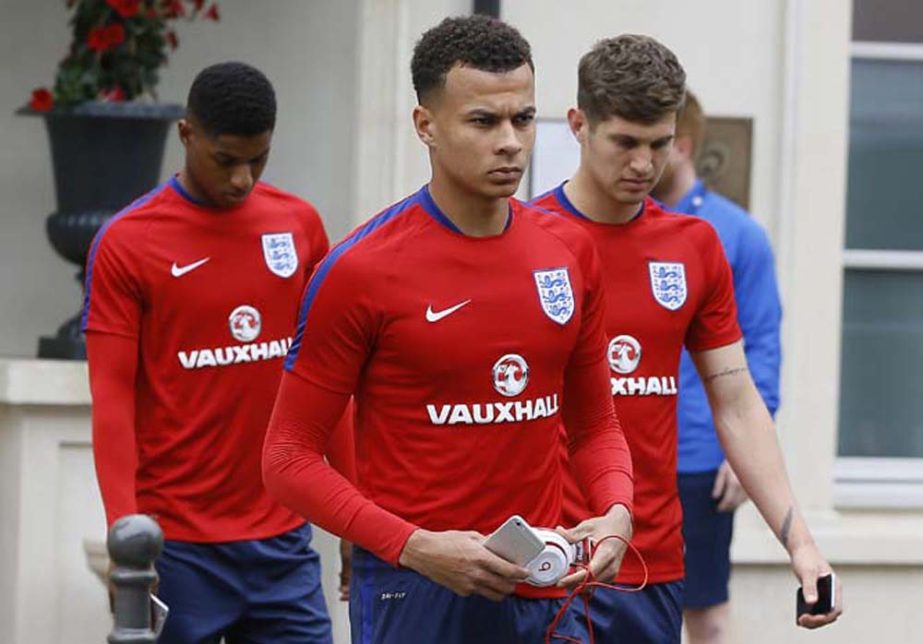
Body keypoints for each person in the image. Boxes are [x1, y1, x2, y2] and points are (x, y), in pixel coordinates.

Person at [262, 15, 634, 644]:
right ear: (425, 126)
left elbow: (597, 424)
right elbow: (287, 457)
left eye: (522, 119)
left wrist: (616, 512)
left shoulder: (568, 252)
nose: (512, 142)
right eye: (484, 122)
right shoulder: (360, 270)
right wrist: (413, 546)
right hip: (415, 592)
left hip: (541, 589)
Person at [531, 34, 841, 643]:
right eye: (625, 142)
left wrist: (802, 545)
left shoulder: (695, 246)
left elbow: (737, 401)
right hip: (544, 562)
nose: (644, 165)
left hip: (653, 559)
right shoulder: (527, 239)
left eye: (659, 144)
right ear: (578, 125)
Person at [83, 61, 354, 644]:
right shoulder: (128, 244)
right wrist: (124, 539)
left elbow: (325, 385)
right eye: (225, 159)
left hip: (283, 543)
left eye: (258, 159)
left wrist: (356, 511)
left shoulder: (298, 226)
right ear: (187, 135)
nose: (242, 179)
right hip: (177, 549)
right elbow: (110, 401)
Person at [651, 89, 783, 644]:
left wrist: (749, 449)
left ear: (680, 147)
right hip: (617, 454)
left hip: (699, 455)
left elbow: (763, 342)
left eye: (653, 143)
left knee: (703, 612)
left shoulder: (736, 235)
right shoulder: (613, 225)